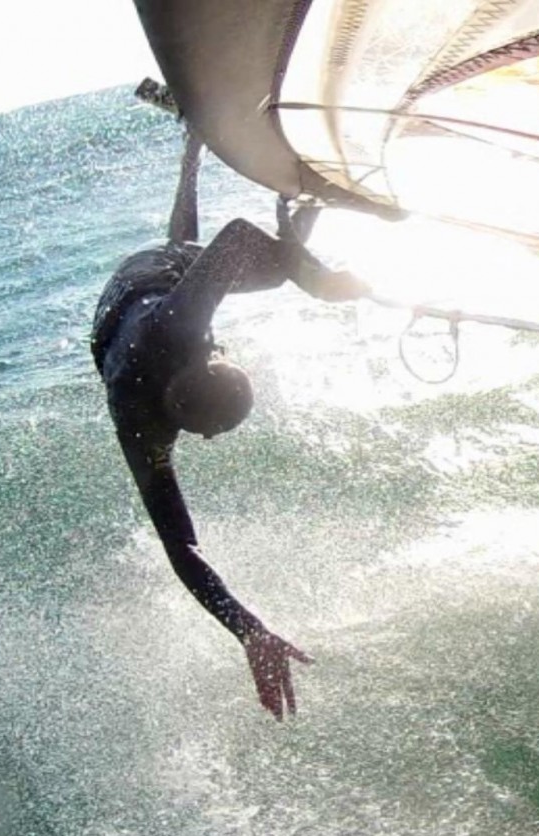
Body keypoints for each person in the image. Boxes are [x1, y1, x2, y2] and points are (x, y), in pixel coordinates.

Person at [91, 129, 365, 720]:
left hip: (142, 287)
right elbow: (182, 546)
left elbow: (236, 237)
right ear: (195, 430)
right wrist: (249, 631)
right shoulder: (141, 427)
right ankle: (211, 157)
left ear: (206, 358)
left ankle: (298, 200)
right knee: (219, 254)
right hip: (127, 313)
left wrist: (315, 283)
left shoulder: (175, 341)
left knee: (265, 267)